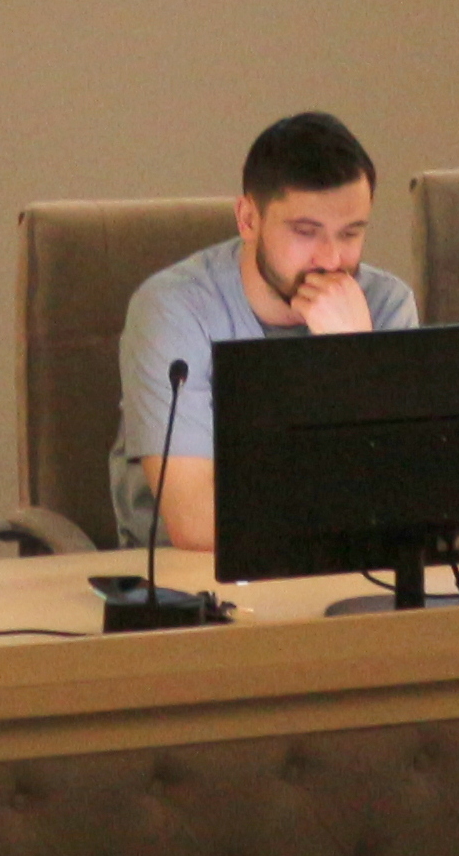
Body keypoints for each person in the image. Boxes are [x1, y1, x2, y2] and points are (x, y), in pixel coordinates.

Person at [112, 111, 417, 551]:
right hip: (193, 575)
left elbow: (407, 498)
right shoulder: (174, 309)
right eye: (306, 232)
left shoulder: (386, 304)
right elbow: (197, 524)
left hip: (352, 568)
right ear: (248, 219)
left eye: (350, 234)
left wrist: (353, 355)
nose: (331, 260)